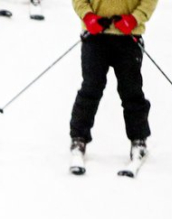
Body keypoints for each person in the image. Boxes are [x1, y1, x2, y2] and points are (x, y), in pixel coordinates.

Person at [68, 0, 159, 175]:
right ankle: (78, 138)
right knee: (90, 89)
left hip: (128, 38)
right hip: (95, 36)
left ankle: (138, 139)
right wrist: (88, 17)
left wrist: (134, 19)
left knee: (131, 91)